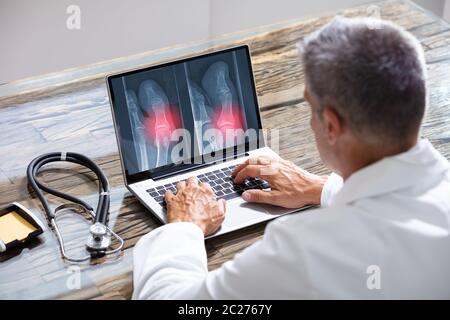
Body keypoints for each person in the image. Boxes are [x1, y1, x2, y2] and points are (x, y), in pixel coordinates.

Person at [132, 17, 450, 299]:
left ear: (330, 125)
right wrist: (322, 188)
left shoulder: (303, 252)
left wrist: (184, 227)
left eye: (309, 106)